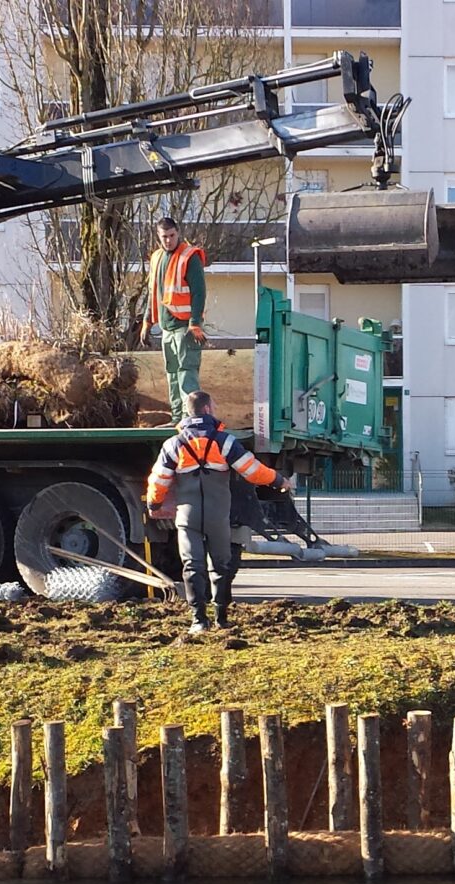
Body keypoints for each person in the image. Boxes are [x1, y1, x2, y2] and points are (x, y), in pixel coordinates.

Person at [144, 390, 282, 633]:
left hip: (188, 517)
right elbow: (253, 471)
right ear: (207, 409)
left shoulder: (173, 445)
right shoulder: (225, 442)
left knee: (192, 565)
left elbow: (159, 481)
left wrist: (154, 504)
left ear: (189, 411)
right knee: (221, 564)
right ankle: (222, 618)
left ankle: (198, 620)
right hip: (219, 516)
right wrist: (278, 480)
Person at [147, 216, 207, 417]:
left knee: (186, 372)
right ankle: (177, 416)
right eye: (164, 236)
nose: (168, 240)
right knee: (172, 373)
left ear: (178, 233)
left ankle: (190, 418)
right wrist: (147, 322)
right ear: (158, 236)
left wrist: (195, 323)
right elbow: (153, 291)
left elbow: (199, 292)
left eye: (171, 236)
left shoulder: (189, 256)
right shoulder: (157, 258)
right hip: (167, 328)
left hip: (185, 327)